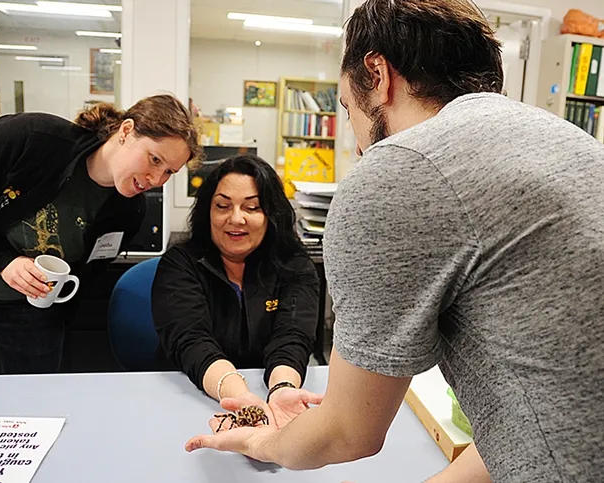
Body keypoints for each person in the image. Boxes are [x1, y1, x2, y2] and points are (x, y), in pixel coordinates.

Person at [185, 1, 604, 482]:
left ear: (377, 72)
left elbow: (347, 431)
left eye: (346, 106)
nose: (358, 142)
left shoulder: (396, 171)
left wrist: (260, 440)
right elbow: (544, 405)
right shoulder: (570, 142)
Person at [0, 94, 201, 375]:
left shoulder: (129, 212)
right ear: (126, 131)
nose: (157, 180)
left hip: (30, 314)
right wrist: (3, 262)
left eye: (169, 171)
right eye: (154, 159)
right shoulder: (32, 138)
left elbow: (91, 269)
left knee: (37, 405)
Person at [152, 154, 322, 424]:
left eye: (252, 207)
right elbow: (192, 341)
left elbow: (292, 338)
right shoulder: (180, 264)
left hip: (269, 396)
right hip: (190, 396)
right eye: (222, 206)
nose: (236, 218)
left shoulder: (295, 266)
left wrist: (281, 389)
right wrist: (240, 398)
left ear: (271, 214)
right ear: (207, 211)